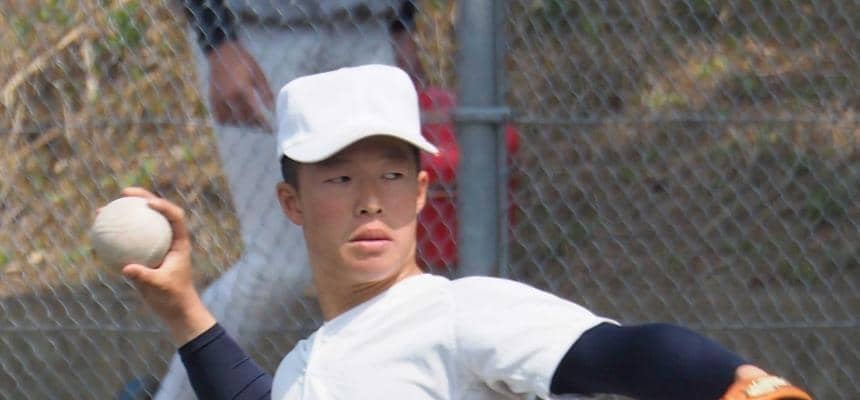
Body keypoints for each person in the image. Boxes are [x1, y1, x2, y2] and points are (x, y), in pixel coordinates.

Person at [122, 65, 812, 399]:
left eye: (393, 175)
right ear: (291, 202)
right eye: (339, 178)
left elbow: (622, 351)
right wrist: (181, 307)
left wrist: (739, 382)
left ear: (422, 192)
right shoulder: (306, 366)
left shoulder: (455, 314)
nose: (370, 201)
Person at [154, 1, 425, 398]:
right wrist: (218, 40)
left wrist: (402, 25)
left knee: (380, 256)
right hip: (261, 32)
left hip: (368, 28)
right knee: (279, 265)